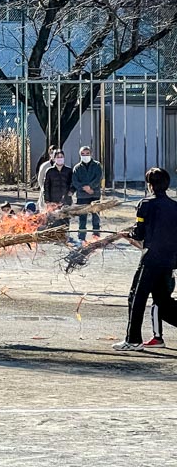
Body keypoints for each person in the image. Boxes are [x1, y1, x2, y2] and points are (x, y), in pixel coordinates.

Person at [113, 167, 177, 352]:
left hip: (151, 259)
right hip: (170, 260)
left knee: (136, 296)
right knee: (163, 301)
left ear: (150, 185)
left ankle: (133, 340)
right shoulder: (175, 206)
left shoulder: (145, 204)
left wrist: (129, 234)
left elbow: (139, 233)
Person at [72, 146, 103, 242]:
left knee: (96, 217)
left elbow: (99, 178)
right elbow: (75, 181)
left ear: (91, 154)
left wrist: (91, 187)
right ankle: (81, 237)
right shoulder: (77, 168)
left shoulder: (97, 165)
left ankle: (96, 236)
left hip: (95, 194)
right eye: (83, 154)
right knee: (82, 218)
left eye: (87, 153)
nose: (85, 155)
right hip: (82, 196)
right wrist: (84, 188)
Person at [42, 149, 73, 216]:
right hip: (53, 200)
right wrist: (47, 200)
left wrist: (71, 191)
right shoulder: (50, 171)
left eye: (61, 157)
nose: (60, 159)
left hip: (66, 200)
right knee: (53, 219)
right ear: (54, 158)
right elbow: (46, 186)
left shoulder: (69, 171)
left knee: (65, 219)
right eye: (58, 157)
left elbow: (73, 183)